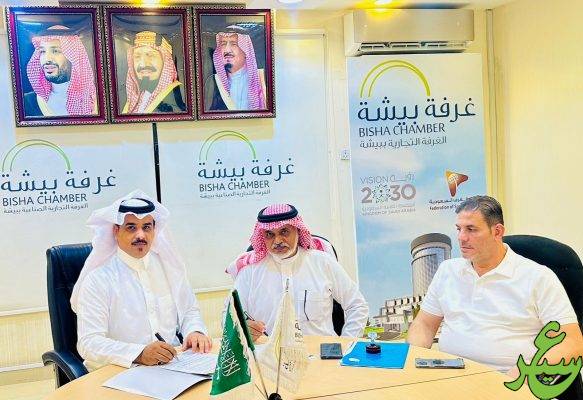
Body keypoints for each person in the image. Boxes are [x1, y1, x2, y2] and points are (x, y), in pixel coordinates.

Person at [407, 195, 583, 374]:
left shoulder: (538, 277)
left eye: (471, 229)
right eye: (459, 229)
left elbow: (571, 342)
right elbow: (425, 324)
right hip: (450, 374)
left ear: (497, 232)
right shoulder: (447, 270)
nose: (461, 237)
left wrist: (528, 372)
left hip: (509, 377)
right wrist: (413, 359)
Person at [71, 190, 211, 370]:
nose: (141, 235)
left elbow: (189, 310)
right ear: (116, 231)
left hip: (172, 365)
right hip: (119, 370)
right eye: (131, 227)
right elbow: (89, 343)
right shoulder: (98, 279)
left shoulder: (169, 267)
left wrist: (194, 331)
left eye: (146, 227)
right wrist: (139, 354)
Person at [228, 204, 368, 341]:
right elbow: (229, 316)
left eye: (284, 232)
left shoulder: (323, 263)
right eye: (270, 234)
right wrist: (241, 328)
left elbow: (357, 305)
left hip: (319, 352)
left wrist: (346, 343)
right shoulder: (249, 270)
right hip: (267, 352)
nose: (277, 241)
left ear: (298, 231)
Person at [24, 25, 97, 117]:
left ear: (72, 56)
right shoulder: (27, 102)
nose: (47, 59)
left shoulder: (95, 99)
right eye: (43, 51)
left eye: (55, 51)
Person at [122, 31, 186, 114]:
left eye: (151, 55)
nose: (143, 64)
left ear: (166, 61)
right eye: (137, 56)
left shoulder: (179, 93)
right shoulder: (131, 96)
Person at [205, 30, 267, 111]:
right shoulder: (213, 81)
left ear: (246, 50)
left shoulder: (263, 79)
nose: (227, 50)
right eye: (223, 44)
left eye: (234, 44)